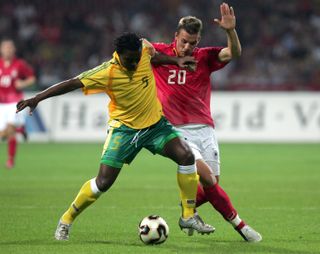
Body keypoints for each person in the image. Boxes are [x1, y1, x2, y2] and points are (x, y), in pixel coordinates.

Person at [16, 33, 215, 241]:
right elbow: (72, 83)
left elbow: (152, 57)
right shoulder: (107, 72)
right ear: (119, 55)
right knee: (103, 182)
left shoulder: (143, 50)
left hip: (155, 125)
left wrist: (176, 60)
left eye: (137, 58)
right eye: (130, 60)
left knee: (186, 156)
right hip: (125, 130)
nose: (135, 62)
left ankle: (188, 215)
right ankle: (66, 219)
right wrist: (38, 97)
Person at [151, 3, 262, 242]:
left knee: (212, 185)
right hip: (176, 131)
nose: (188, 46)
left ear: (198, 40)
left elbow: (234, 53)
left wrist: (230, 31)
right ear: (176, 36)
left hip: (205, 129)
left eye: (193, 42)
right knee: (209, 179)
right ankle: (241, 227)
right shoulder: (160, 54)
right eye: (184, 41)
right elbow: (139, 48)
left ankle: (186, 210)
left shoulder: (205, 57)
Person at [0, 38, 36, 169]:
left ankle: (10, 160)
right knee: (3, 135)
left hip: (14, 102)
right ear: (1, 50)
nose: (8, 50)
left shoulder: (19, 64)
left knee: (10, 130)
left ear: (14, 50)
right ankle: (21, 129)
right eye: (5, 47)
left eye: (10, 47)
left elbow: (32, 78)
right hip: (1, 104)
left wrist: (23, 83)